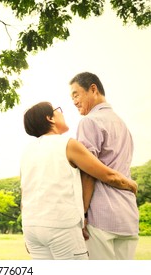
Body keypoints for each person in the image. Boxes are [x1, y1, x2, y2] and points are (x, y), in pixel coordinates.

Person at [20, 101, 137, 260]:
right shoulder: (68, 144)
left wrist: (28, 230)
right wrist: (131, 184)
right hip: (60, 226)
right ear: (50, 118)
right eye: (57, 110)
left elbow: (24, 193)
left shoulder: (27, 151)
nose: (62, 113)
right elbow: (106, 175)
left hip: (31, 227)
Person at [69, 72, 139, 260]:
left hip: (101, 217)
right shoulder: (122, 124)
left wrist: (82, 213)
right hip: (128, 216)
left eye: (76, 94)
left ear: (93, 89)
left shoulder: (89, 122)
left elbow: (88, 173)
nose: (74, 101)